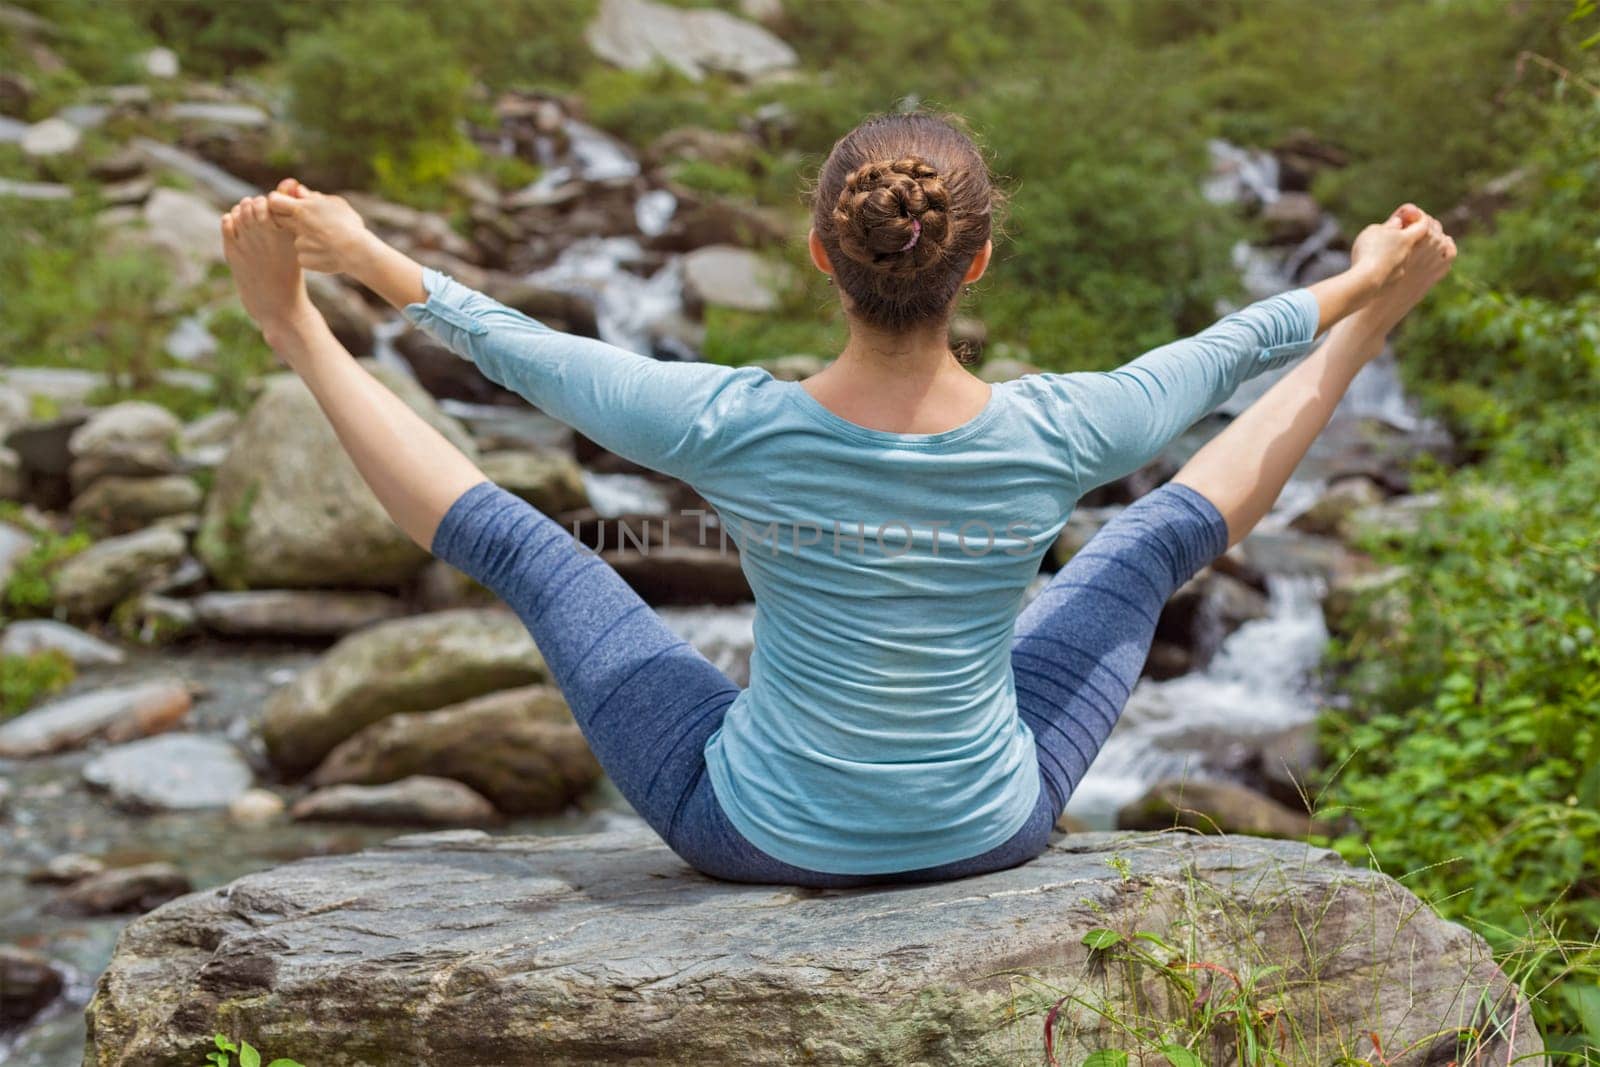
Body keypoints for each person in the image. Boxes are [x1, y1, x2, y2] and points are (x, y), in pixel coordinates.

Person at [221, 110, 1456, 889]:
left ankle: (295, 339)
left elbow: (517, 351)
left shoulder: (727, 422)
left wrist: (353, 266)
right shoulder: (1064, 424)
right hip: (991, 821)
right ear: (976, 261)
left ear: (822, 253)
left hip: (757, 834)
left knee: (536, 550)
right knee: (1152, 542)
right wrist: (1360, 302)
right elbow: (1239, 343)